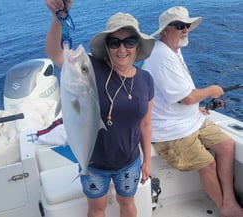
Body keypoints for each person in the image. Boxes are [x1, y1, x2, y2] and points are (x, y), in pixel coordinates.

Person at [45, 1, 155, 217]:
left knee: (127, 203)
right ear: (106, 46)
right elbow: (55, 53)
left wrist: (148, 161)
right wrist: (58, 19)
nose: (122, 49)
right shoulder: (92, 69)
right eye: (114, 42)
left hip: (130, 161)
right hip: (94, 164)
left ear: (138, 46)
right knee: (96, 208)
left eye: (129, 41)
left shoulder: (146, 80)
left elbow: (146, 123)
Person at [143, 6, 243, 217]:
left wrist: (195, 107)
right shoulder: (161, 56)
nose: (185, 30)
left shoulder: (173, 49)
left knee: (226, 146)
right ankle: (225, 208)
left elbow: (179, 94)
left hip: (190, 118)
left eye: (187, 25)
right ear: (165, 30)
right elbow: (186, 96)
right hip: (171, 130)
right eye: (179, 26)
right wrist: (210, 91)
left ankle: (230, 200)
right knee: (209, 164)